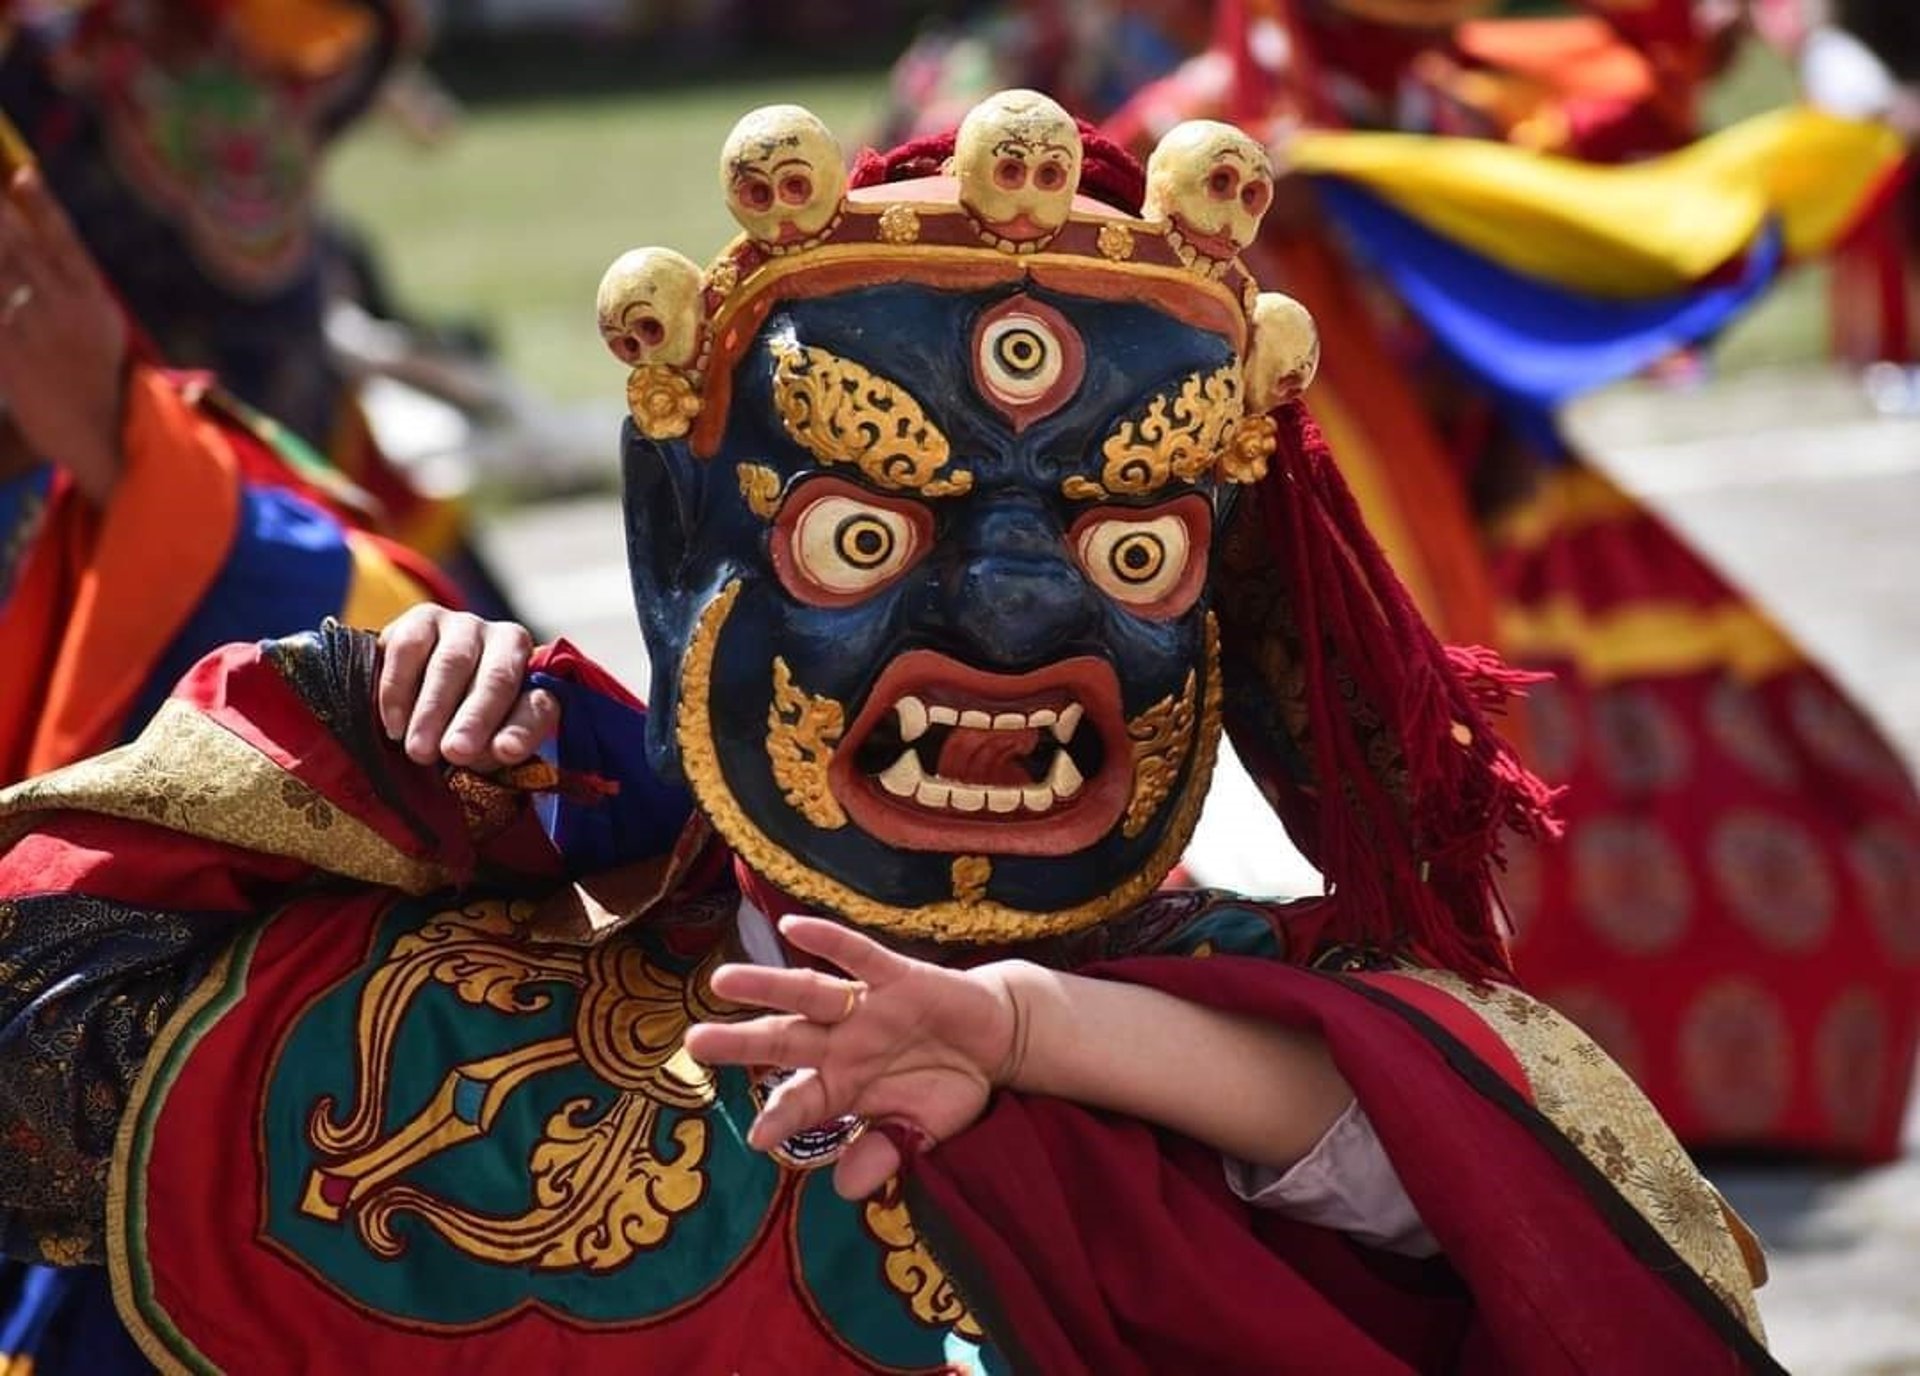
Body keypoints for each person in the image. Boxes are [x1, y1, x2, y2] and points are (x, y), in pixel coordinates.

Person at [0, 94, 1775, 1371]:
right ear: (682, 553)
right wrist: (364, 748)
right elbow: (46, 1041)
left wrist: (1024, 1028)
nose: (1012, 618)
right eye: (865, 530)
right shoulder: (447, 1023)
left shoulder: (1210, 1038)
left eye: (1127, 543)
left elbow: (1476, 1163)